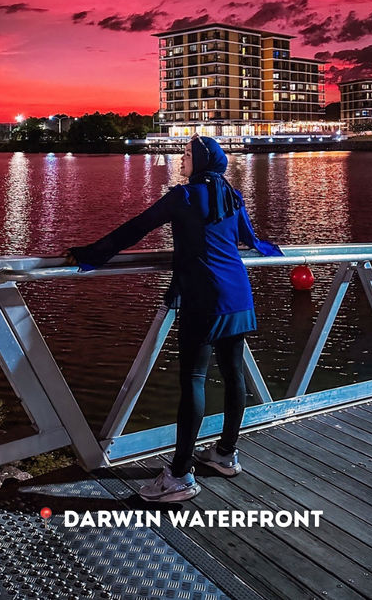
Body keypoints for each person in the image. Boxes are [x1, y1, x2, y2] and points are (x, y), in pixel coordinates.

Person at [64, 135, 282, 502]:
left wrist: (91, 254)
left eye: (185, 155)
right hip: (239, 295)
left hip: (204, 299)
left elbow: (136, 228)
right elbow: (248, 237)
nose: (181, 160)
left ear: (200, 160)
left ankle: (179, 475)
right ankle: (226, 454)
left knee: (194, 380)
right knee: (232, 375)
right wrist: (267, 249)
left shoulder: (183, 196)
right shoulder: (231, 195)